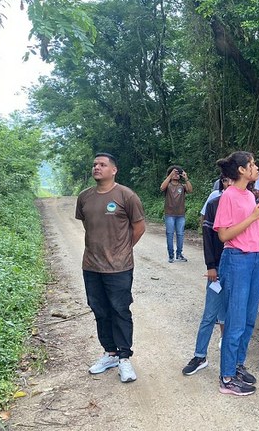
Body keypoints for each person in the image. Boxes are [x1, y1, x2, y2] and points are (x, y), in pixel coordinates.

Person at [76, 152, 146, 383]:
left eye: (102, 165)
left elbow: (139, 227)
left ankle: (125, 358)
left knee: (120, 310)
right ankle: (110, 353)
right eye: (95, 164)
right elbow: (89, 225)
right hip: (92, 265)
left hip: (119, 267)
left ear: (113, 170)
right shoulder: (85, 197)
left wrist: (123, 249)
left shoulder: (126, 196)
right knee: (100, 310)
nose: (97, 167)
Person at [213, 151, 259, 396]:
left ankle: (237, 365)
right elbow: (224, 235)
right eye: (253, 164)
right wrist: (253, 217)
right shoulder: (229, 196)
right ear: (242, 170)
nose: (257, 168)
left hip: (255, 257)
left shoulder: (250, 195)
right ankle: (226, 377)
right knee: (235, 320)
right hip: (237, 260)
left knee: (247, 319)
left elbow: (251, 228)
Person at [182, 175, 228, 376]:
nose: (230, 183)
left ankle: (232, 359)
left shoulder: (249, 202)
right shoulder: (214, 204)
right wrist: (211, 266)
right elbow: (208, 237)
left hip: (240, 267)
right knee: (210, 313)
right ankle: (200, 355)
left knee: (232, 315)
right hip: (217, 266)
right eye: (227, 180)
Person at [161, 165, 193, 263]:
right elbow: (162, 188)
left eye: (177, 173)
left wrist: (186, 178)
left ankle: (179, 254)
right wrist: (170, 175)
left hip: (180, 214)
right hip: (169, 214)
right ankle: (171, 255)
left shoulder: (182, 186)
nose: (176, 175)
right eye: (174, 173)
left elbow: (190, 190)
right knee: (170, 234)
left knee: (180, 234)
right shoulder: (168, 185)